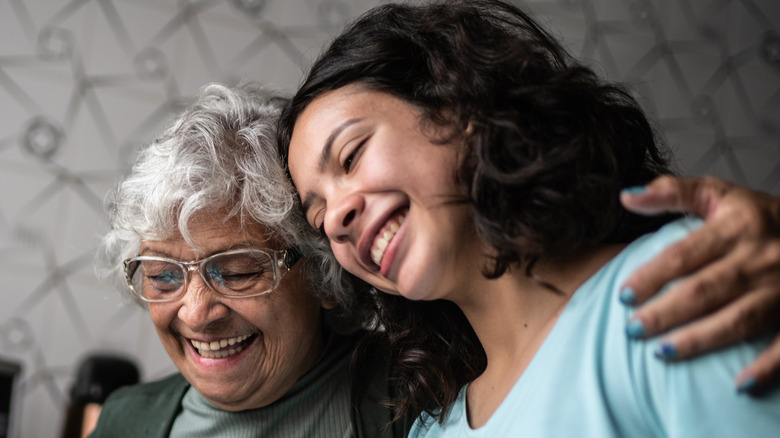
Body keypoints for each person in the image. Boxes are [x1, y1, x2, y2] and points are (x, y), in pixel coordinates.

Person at [278, 0, 780, 435]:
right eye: (320, 220)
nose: (337, 219)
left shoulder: (681, 289)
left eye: (350, 156)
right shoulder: (431, 430)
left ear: (456, 105)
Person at [90, 83, 411, 437]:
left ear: (323, 273)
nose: (195, 315)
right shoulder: (122, 422)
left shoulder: (416, 390)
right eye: (163, 275)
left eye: (237, 272)